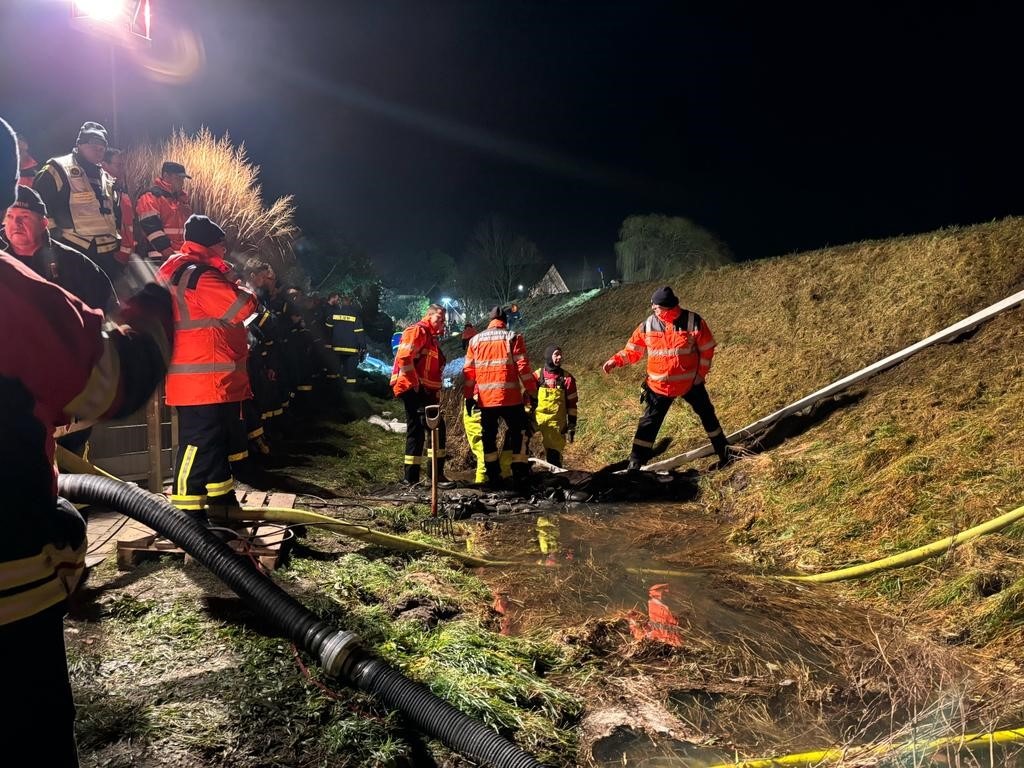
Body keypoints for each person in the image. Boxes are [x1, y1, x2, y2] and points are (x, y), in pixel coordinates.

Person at [0, 116, 174, 767]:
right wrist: (152, 302)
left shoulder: (58, 264)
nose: (14, 227)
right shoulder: (13, 291)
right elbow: (113, 379)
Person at [158, 214, 259, 520]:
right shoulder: (199, 275)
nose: (225, 251)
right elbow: (239, 307)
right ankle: (186, 512)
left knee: (212, 441)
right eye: (221, 245)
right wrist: (249, 292)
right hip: (204, 377)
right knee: (199, 442)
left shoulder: (181, 271)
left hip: (200, 376)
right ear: (210, 244)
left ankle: (221, 499)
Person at [602, 285, 732, 471]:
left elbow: (707, 348)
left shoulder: (693, 322)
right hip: (658, 387)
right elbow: (633, 350)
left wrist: (700, 376)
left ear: (668, 307)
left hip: (690, 385)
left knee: (708, 416)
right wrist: (615, 361)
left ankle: (725, 453)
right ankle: (635, 464)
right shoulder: (648, 325)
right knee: (648, 425)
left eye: (656, 306)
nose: (653, 308)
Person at [33, 121, 122, 281]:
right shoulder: (57, 169)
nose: (100, 148)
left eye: (103, 144)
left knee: (105, 303)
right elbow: (39, 208)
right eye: (94, 142)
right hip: (73, 251)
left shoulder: (106, 177)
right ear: (79, 144)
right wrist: (55, 244)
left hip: (106, 254)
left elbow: (114, 213)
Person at [463, 305, 537, 491]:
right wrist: (532, 392)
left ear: (490, 321)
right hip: (511, 399)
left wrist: (468, 397)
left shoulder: (475, 341)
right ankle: (519, 475)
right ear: (505, 321)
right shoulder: (513, 337)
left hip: (486, 401)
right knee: (519, 434)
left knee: (488, 438)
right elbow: (523, 368)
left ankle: (494, 477)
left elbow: (469, 373)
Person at [390, 304, 455, 487]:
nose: (441, 323)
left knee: (418, 432)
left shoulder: (429, 337)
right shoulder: (418, 331)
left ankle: (413, 479)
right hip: (415, 390)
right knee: (434, 429)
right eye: (439, 319)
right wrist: (415, 383)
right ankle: (432, 476)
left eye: (443, 320)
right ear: (429, 316)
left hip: (420, 390)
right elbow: (404, 357)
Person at [531, 345, 579, 468]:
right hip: (536, 420)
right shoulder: (537, 376)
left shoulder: (567, 379)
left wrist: (572, 425)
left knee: (553, 458)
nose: (560, 357)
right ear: (548, 356)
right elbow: (528, 398)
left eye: (560, 354)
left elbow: (572, 405)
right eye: (556, 354)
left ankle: (556, 480)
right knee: (520, 444)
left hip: (555, 425)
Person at [137, 161, 193, 262]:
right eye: (178, 178)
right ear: (166, 175)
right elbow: (151, 227)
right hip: (160, 257)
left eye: (183, 179)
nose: (181, 182)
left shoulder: (181, 200)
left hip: (180, 256)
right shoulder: (151, 196)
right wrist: (166, 251)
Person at [101, 147, 136, 267]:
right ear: (104, 165)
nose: (122, 170)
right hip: (109, 257)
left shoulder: (122, 193)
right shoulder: (100, 194)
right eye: (118, 165)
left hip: (124, 258)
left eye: (123, 166)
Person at [327, 293, 366, 389]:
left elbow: (328, 330)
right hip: (351, 350)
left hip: (336, 349)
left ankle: (333, 390)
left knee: (334, 371)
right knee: (350, 374)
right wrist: (363, 347)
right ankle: (350, 393)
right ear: (350, 303)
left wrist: (328, 344)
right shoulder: (355, 317)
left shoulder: (334, 314)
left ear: (341, 302)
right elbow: (360, 333)